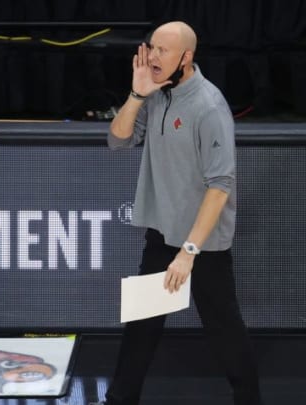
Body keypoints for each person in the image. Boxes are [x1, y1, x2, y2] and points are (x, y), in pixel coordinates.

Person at [91, 21, 263, 405]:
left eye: (163, 51)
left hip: (202, 244)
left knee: (224, 331)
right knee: (142, 326)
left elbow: (221, 185)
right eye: (151, 47)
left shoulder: (209, 106)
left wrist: (188, 253)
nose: (152, 56)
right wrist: (137, 94)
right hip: (162, 232)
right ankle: (120, 399)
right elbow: (117, 141)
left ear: (186, 58)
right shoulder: (154, 93)